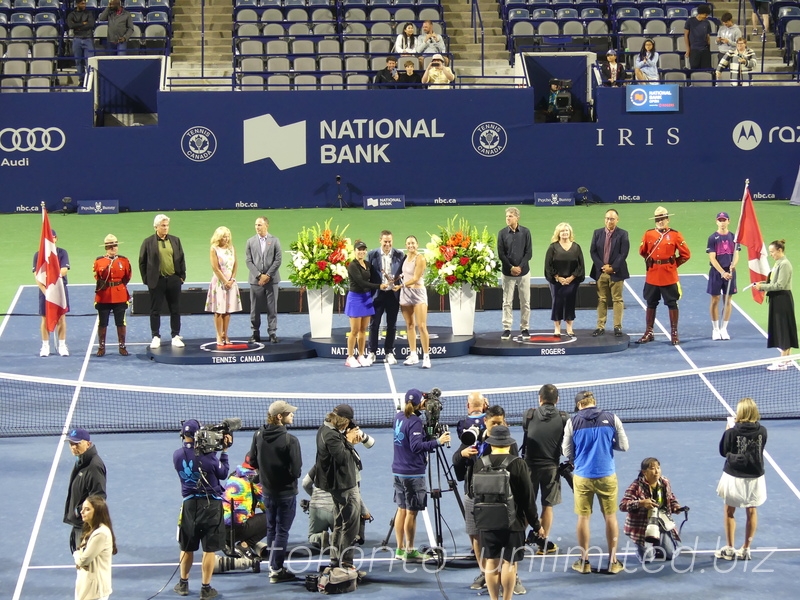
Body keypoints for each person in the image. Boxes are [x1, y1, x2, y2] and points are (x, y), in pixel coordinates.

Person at [453, 402, 525, 594]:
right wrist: (463, 453)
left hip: (503, 500)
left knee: (505, 543)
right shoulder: (472, 436)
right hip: (475, 497)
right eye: (494, 423)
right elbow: (457, 465)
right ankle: (486, 574)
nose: (498, 427)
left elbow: (516, 472)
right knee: (476, 538)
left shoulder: (510, 443)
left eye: (501, 422)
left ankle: (512, 577)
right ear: (486, 421)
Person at [562, 391, 629, 574]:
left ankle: (584, 562)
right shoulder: (612, 418)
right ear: (594, 402)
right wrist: (607, 444)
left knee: (583, 517)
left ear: (579, 406)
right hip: (607, 476)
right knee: (610, 517)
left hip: (582, 477)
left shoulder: (572, 422)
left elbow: (567, 451)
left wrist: (581, 454)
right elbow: (623, 446)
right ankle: (613, 562)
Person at [473, 425, 542, 600]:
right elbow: (528, 498)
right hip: (514, 523)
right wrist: (536, 524)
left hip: (487, 522)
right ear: (509, 442)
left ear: (492, 443)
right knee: (509, 563)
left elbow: (471, 492)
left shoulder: (479, 463)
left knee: (491, 562)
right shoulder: (519, 463)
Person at [172, 419, 231, 599]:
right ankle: (205, 588)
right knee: (209, 549)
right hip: (211, 507)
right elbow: (223, 473)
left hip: (189, 506)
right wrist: (224, 452)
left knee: (187, 547)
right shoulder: (209, 457)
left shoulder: (176, 455)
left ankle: (183, 583)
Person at [392, 389, 451, 561]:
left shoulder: (398, 417)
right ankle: (410, 551)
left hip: (398, 470)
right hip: (412, 473)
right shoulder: (415, 421)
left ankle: (400, 549)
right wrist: (438, 442)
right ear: (421, 404)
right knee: (411, 512)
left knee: (401, 509)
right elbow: (416, 446)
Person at [248, 400, 302, 583]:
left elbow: (253, 462)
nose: (292, 414)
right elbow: (296, 471)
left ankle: (272, 565)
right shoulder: (290, 440)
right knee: (281, 532)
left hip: (268, 493)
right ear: (280, 417)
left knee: (272, 528)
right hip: (286, 494)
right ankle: (276, 570)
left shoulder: (258, 435)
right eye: (289, 413)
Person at [314, 404, 367, 575]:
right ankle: (346, 564)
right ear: (343, 421)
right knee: (350, 526)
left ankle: (335, 561)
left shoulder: (324, 429)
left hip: (337, 486)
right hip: (344, 486)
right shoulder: (331, 436)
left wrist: (346, 439)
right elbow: (343, 458)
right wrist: (350, 441)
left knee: (338, 524)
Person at [715, 398, 768, 561]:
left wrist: (727, 430)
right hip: (755, 476)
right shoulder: (763, 431)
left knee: (729, 511)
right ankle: (746, 549)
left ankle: (730, 548)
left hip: (734, 477)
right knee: (752, 511)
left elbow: (723, 451)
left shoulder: (731, 432)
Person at [521, 384, 565, 555]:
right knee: (547, 506)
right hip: (551, 468)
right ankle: (542, 544)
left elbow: (527, 430)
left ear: (540, 398)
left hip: (528, 469)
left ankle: (517, 540)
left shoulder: (529, 414)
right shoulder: (564, 417)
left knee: (526, 506)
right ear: (557, 400)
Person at [637, 206, 691, 345]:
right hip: (653, 275)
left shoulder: (675, 235)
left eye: (663, 218)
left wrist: (672, 264)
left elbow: (686, 254)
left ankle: (674, 333)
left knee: (672, 303)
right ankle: (649, 332)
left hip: (669, 276)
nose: (660, 221)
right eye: (658, 219)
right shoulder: (648, 234)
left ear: (668, 219)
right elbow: (642, 252)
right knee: (651, 303)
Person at [619, 458, 685, 564]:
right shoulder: (636, 486)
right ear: (644, 472)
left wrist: (675, 507)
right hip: (642, 526)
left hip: (661, 522)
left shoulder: (664, 482)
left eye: (658, 468)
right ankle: (642, 547)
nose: (657, 471)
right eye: (653, 469)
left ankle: (659, 542)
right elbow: (623, 505)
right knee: (647, 559)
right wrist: (641, 503)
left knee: (670, 554)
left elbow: (670, 497)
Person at [139, 214, 185, 350]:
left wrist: (181, 276)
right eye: (163, 226)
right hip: (156, 281)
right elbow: (142, 262)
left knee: (175, 309)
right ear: (156, 227)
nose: (166, 228)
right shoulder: (148, 242)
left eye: (167, 225)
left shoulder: (175, 241)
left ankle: (175, 336)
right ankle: (155, 336)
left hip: (173, 280)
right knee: (155, 310)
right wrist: (147, 280)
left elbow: (181, 259)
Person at [302, 465, 371, 551]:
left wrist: (314, 496)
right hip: (336, 510)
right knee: (343, 534)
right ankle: (333, 537)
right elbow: (354, 495)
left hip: (316, 508)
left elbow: (305, 483)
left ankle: (320, 537)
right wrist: (365, 512)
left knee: (312, 535)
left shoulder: (319, 464)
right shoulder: (348, 466)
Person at [216, 454, 266, 573]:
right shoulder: (256, 479)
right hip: (238, 529)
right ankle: (245, 545)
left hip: (221, 528)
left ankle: (228, 542)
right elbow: (267, 506)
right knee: (274, 517)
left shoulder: (234, 475)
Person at [755, 239, 798, 370]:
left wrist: (762, 287)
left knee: (783, 328)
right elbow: (774, 280)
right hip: (778, 298)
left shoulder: (784, 264)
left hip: (782, 299)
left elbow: (780, 285)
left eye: (773, 252)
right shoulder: (778, 263)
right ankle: (788, 358)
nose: (771, 254)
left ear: (780, 250)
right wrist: (763, 283)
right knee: (783, 327)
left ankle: (782, 362)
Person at [64, 428, 107, 553]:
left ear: (88, 443)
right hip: (80, 522)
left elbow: (99, 496)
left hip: (86, 524)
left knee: (85, 563)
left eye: (77, 444)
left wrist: (79, 511)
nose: (73, 447)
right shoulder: (81, 460)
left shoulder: (94, 466)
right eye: (71, 444)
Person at [589, 209, 630, 337]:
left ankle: (617, 327)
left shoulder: (623, 234)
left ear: (617, 220)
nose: (609, 221)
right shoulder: (597, 233)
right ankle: (600, 326)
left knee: (617, 299)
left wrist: (612, 267)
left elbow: (623, 253)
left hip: (616, 272)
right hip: (601, 273)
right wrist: (603, 267)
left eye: (612, 219)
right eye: (607, 218)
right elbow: (593, 252)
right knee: (602, 299)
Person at [366, 230, 405, 365]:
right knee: (374, 324)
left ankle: (389, 352)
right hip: (378, 294)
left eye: (389, 242)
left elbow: (403, 274)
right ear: (380, 241)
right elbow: (368, 275)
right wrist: (377, 286)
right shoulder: (372, 255)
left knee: (392, 325)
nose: (387, 244)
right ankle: (372, 352)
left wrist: (399, 285)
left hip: (393, 295)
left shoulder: (400, 255)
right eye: (385, 242)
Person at [344, 240, 382, 368]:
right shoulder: (352, 266)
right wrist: (379, 286)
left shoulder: (367, 264)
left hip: (366, 299)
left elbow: (374, 279)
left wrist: (386, 283)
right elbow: (361, 282)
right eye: (359, 249)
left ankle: (360, 355)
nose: (361, 252)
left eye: (363, 249)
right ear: (355, 251)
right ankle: (350, 357)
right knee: (354, 331)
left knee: (363, 330)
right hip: (355, 299)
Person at [93, 234, 132, 357]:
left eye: (115, 245)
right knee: (102, 322)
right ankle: (101, 346)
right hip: (104, 295)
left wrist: (117, 286)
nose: (113, 248)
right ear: (106, 247)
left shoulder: (124, 261)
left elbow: (127, 276)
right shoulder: (99, 261)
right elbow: (97, 277)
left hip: (119, 294)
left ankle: (122, 346)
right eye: (110, 246)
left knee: (120, 322)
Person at [544, 222, 585, 337]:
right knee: (557, 302)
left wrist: (571, 278)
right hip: (557, 282)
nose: (565, 233)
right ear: (558, 233)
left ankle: (569, 328)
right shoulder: (552, 247)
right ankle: (557, 328)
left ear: (570, 232)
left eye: (566, 231)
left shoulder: (576, 247)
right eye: (562, 231)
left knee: (570, 302)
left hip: (572, 281)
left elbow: (580, 265)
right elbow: (548, 265)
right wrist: (558, 277)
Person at [245, 216, 282, 344]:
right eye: (256, 225)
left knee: (272, 308)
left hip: (272, 281)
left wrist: (267, 276)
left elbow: (278, 260)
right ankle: (255, 333)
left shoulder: (275, 241)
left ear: (266, 225)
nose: (257, 227)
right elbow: (248, 261)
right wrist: (259, 276)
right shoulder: (250, 241)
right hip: (256, 281)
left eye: (259, 225)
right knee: (254, 309)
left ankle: (272, 333)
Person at [497, 207, 532, 340]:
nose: (508, 218)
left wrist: (520, 267)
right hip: (507, 273)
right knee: (507, 301)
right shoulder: (502, 233)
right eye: (507, 216)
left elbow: (529, 252)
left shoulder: (526, 232)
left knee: (525, 302)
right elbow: (501, 254)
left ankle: (525, 328)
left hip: (524, 273)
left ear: (517, 218)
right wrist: (511, 267)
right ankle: (507, 328)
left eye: (511, 216)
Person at [33, 229, 69, 357]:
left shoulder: (62, 252)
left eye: (53, 238)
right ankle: (45, 346)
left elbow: (64, 270)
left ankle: (62, 345)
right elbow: (37, 276)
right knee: (44, 318)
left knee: (61, 317)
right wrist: (47, 292)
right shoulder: (38, 255)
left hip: (60, 290)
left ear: (56, 239)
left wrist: (54, 276)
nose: (51, 240)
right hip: (45, 291)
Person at [73, 495, 117, 600]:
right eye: (82, 508)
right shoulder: (91, 529)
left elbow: (83, 561)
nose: (82, 512)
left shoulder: (100, 534)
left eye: (87, 509)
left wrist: (76, 554)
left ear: (97, 513)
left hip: (95, 591)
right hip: (86, 585)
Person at [205, 226, 242, 346]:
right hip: (219, 284)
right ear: (218, 238)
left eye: (227, 236)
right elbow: (215, 268)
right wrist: (225, 281)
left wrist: (232, 279)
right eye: (223, 237)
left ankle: (225, 335)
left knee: (227, 311)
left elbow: (235, 264)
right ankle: (218, 335)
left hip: (230, 283)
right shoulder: (214, 249)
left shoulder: (232, 248)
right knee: (219, 311)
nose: (226, 239)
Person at [706, 212, 739, 340]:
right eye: (720, 220)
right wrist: (722, 273)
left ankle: (724, 329)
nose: (722, 222)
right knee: (715, 300)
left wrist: (733, 265)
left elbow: (736, 255)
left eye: (724, 220)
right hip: (717, 272)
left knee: (728, 300)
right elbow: (713, 259)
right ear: (717, 222)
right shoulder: (712, 238)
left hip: (730, 273)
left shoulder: (734, 238)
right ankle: (715, 329)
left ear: (728, 221)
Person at [400, 235, 431, 368]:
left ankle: (426, 357)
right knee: (410, 325)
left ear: (417, 245)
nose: (411, 245)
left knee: (422, 326)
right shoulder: (405, 258)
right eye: (408, 243)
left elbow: (416, 278)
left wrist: (401, 285)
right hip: (406, 293)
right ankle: (413, 354)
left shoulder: (421, 258)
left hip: (418, 294)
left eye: (413, 243)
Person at [67, 0, 96, 78]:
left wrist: (77, 26)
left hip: (88, 39)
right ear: (77, 4)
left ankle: (90, 80)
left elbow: (91, 24)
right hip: (77, 39)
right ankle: (81, 80)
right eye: (82, 4)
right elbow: (70, 25)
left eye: (85, 4)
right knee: (78, 61)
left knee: (90, 61)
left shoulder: (89, 13)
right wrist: (83, 23)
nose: (84, 5)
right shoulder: (71, 15)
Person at [684, 4, 712, 70]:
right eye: (705, 15)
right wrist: (688, 49)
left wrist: (709, 47)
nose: (706, 16)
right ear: (700, 13)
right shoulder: (690, 21)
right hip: (694, 49)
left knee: (706, 70)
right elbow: (686, 35)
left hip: (705, 50)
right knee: (694, 69)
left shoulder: (707, 23)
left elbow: (708, 36)